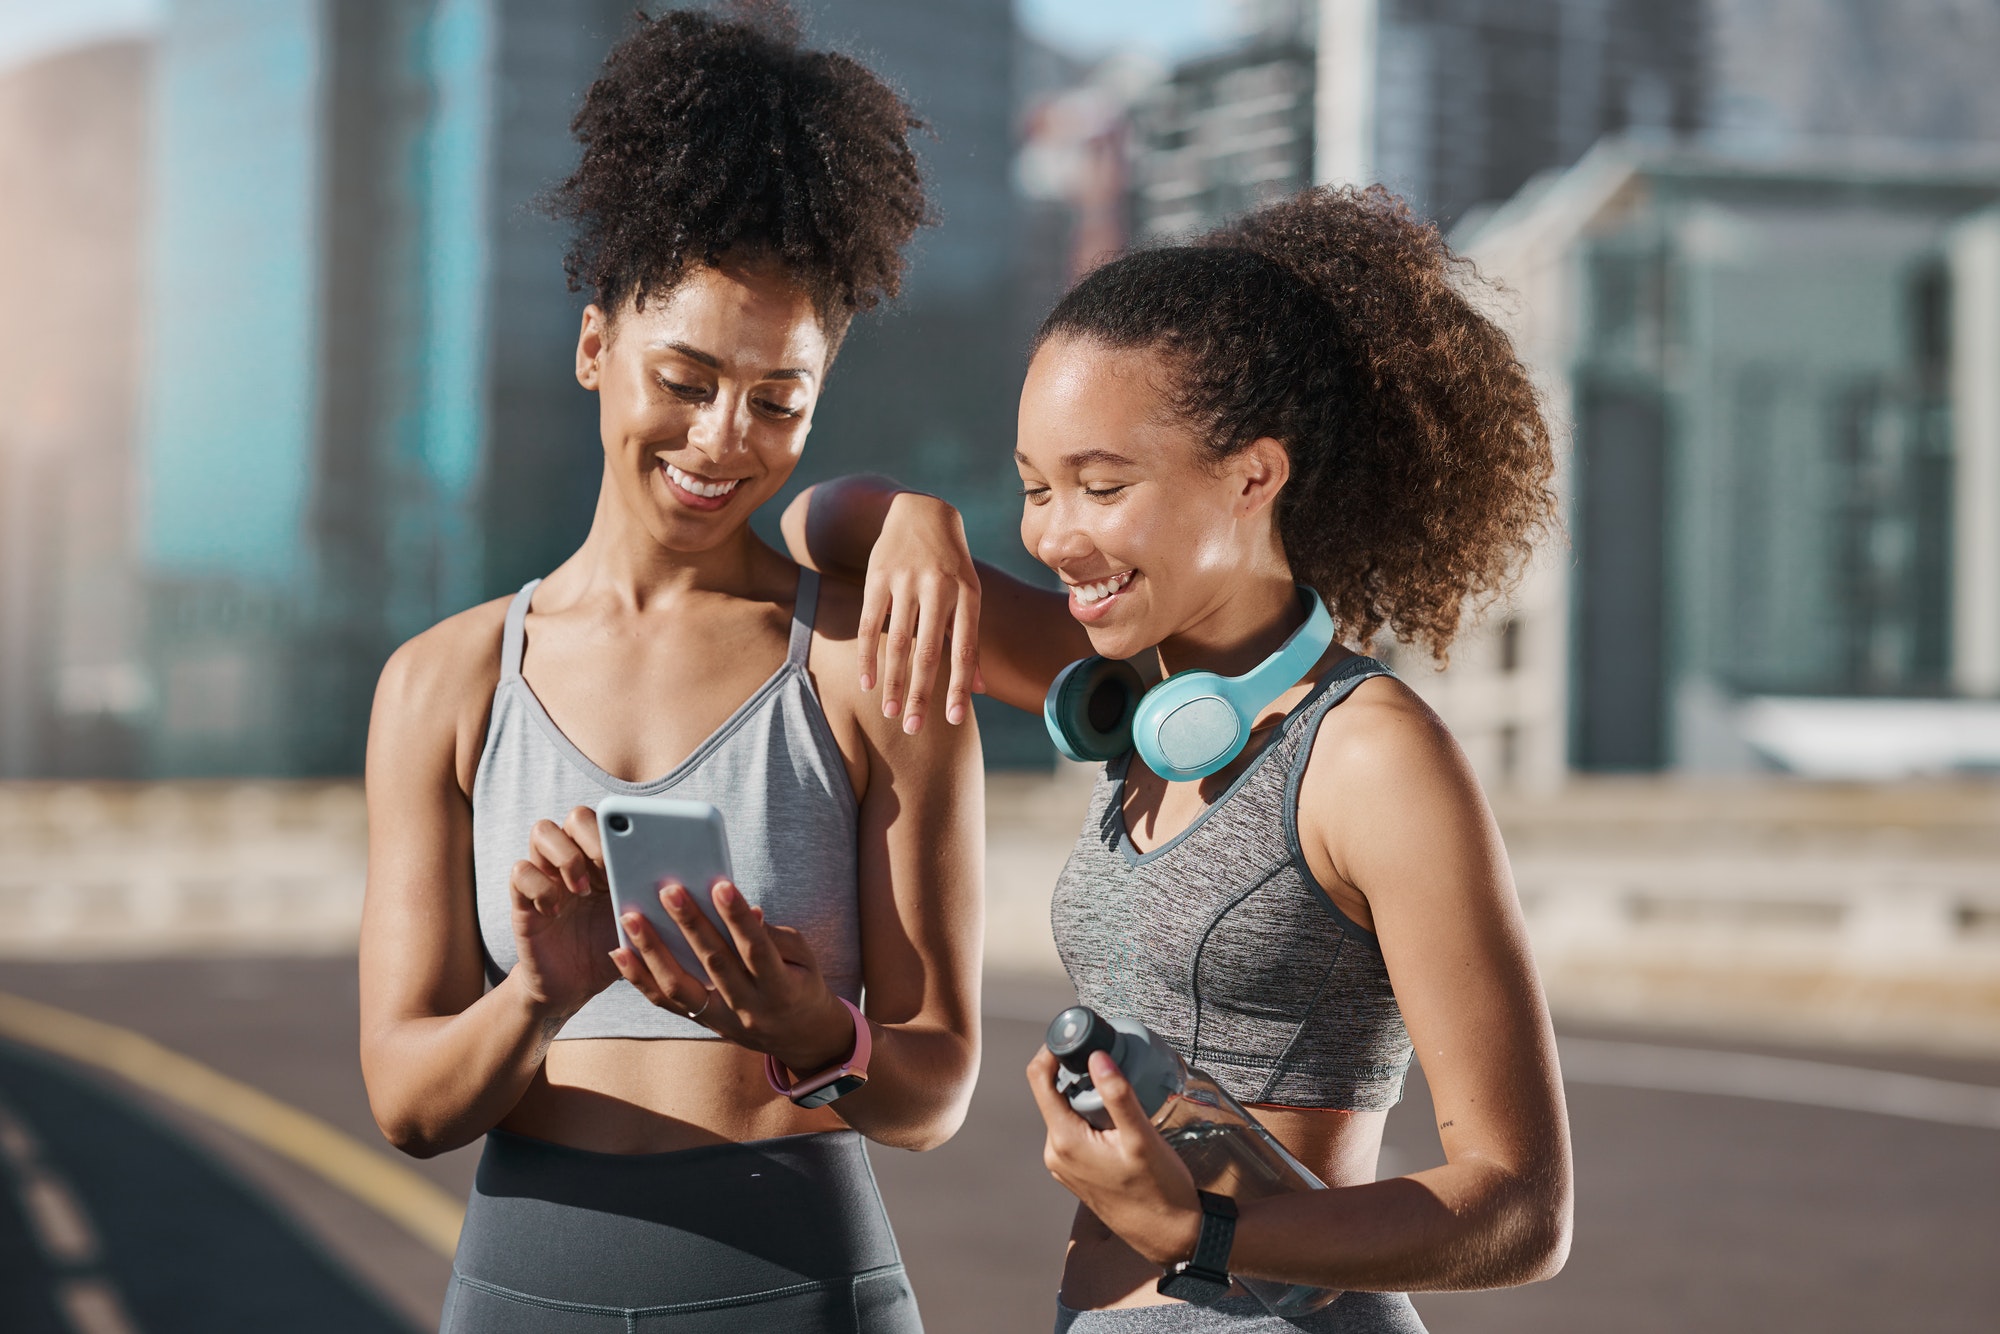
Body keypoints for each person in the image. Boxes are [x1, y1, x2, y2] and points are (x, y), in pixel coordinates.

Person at [784, 184, 1572, 1331]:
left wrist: (1202, 1231)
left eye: (1102, 486)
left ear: (1252, 476)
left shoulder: (1368, 753)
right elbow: (813, 530)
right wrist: (915, 518)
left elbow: (1520, 1206)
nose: (1053, 535)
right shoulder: (1132, 685)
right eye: (1034, 487)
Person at [357, 10, 982, 1331]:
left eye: (778, 400)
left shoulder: (869, 666)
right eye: (685, 378)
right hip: (525, 1292)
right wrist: (541, 993)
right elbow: (408, 1101)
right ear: (595, 346)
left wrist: (809, 1029)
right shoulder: (442, 683)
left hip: (805, 1287)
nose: (722, 439)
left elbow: (934, 1091)